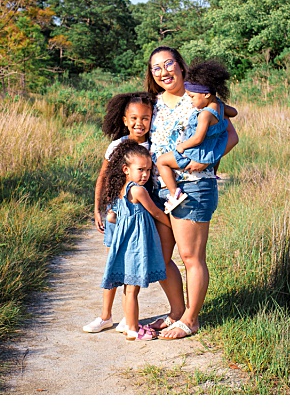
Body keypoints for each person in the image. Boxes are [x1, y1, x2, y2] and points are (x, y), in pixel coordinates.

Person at [145, 46, 239, 340]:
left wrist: (207, 160)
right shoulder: (153, 104)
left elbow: (232, 135)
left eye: (168, 63)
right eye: (156, 68)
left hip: (192, 186)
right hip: (159, 188)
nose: (163, 72)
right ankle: (176, 311)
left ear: (181, 65)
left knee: (191, 255)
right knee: (161, 257)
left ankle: (190, 319)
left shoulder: (200, 97)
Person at [83, 92, 157, 335]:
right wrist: (97, 208)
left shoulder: (155, 145)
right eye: (134, 118)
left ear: (152, 118)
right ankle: (105, 316)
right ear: (125, 120)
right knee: (113, 264)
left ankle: (129, 318)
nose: (139, 123)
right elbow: (103, 177)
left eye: (145, 118)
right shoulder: (116, 145)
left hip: (138, 219)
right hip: (116, 215)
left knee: (132, 268)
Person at [98, 139, 168, 341]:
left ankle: (129, 323)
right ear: (126, 169)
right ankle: (133, 330)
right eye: (140, 170)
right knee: (132, 289)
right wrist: (171, 226)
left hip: (126, 244)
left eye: (148, 170)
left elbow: (112, 216)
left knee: (129, 288)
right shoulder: (138, 190)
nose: (145, 174)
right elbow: (154, 212)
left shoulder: (122, 189)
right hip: (136, 246)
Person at [155, 60, 232, 213]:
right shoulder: (219, 107)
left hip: (194, 154)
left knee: (162, 161)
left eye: (192, 97)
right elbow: (234, 112)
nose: (190, 101)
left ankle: (174, 193)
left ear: (206, 94)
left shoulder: (204, 115)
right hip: (206, 153)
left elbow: (198, 138)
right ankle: (213, 174)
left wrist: (182, 146)